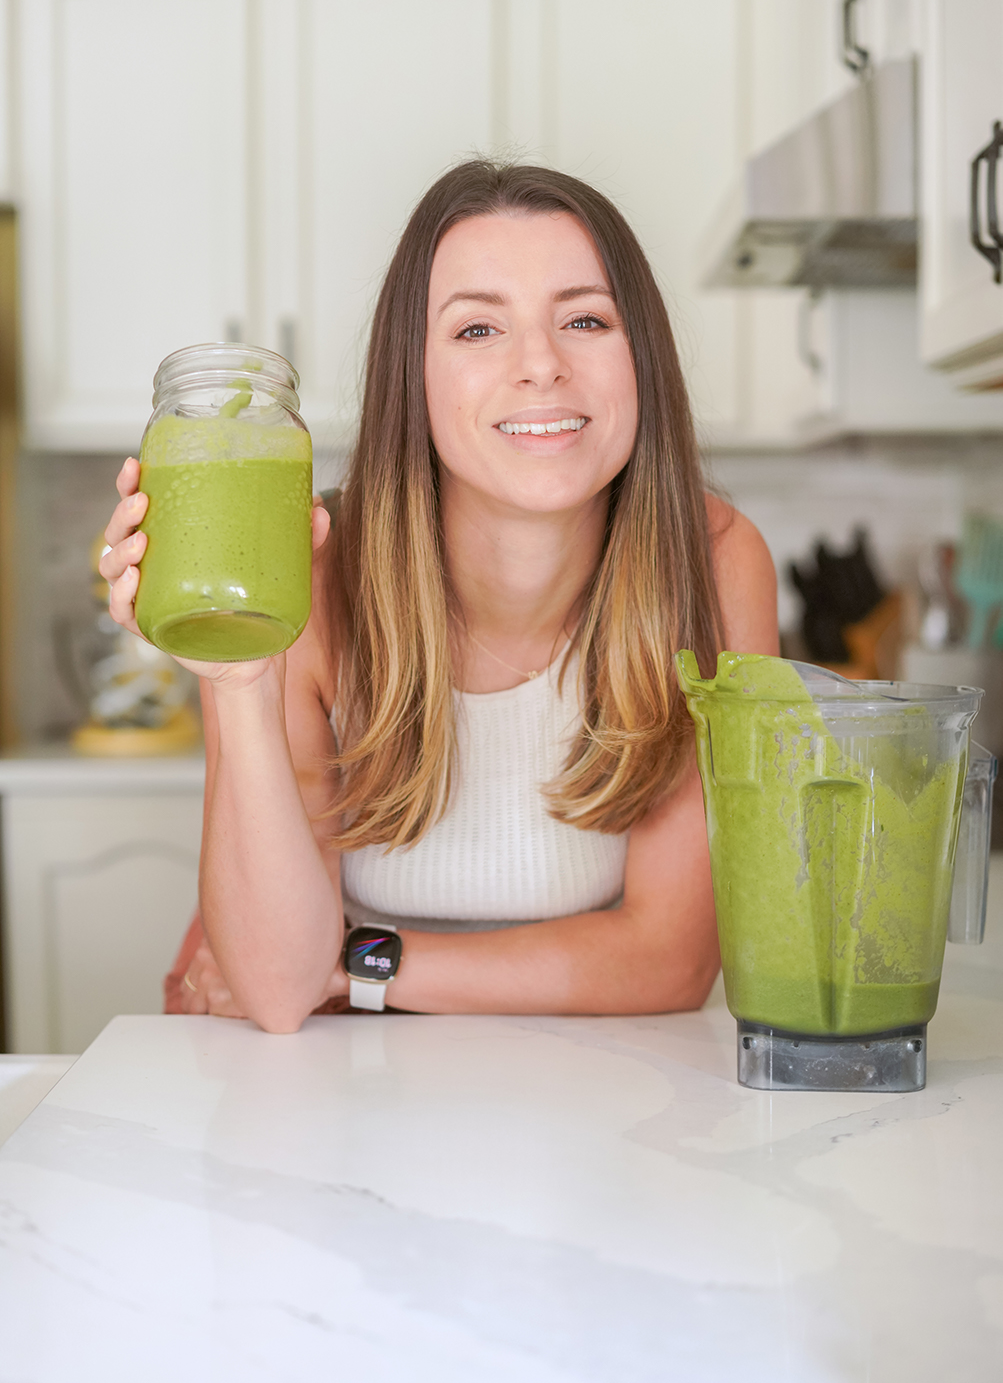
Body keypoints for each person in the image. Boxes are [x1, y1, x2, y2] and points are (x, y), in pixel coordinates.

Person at [101, 160, 778, 1031]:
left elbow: (671, 960)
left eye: (584, 319)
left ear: (641, 357)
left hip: (598, 1110)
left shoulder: (713, 562)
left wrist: (356, 962)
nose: (540, 365)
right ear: (411, 376)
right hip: (336, 1103)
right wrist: (238, 683)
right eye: (476, 330)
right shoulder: (308, 570)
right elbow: (274, 990)